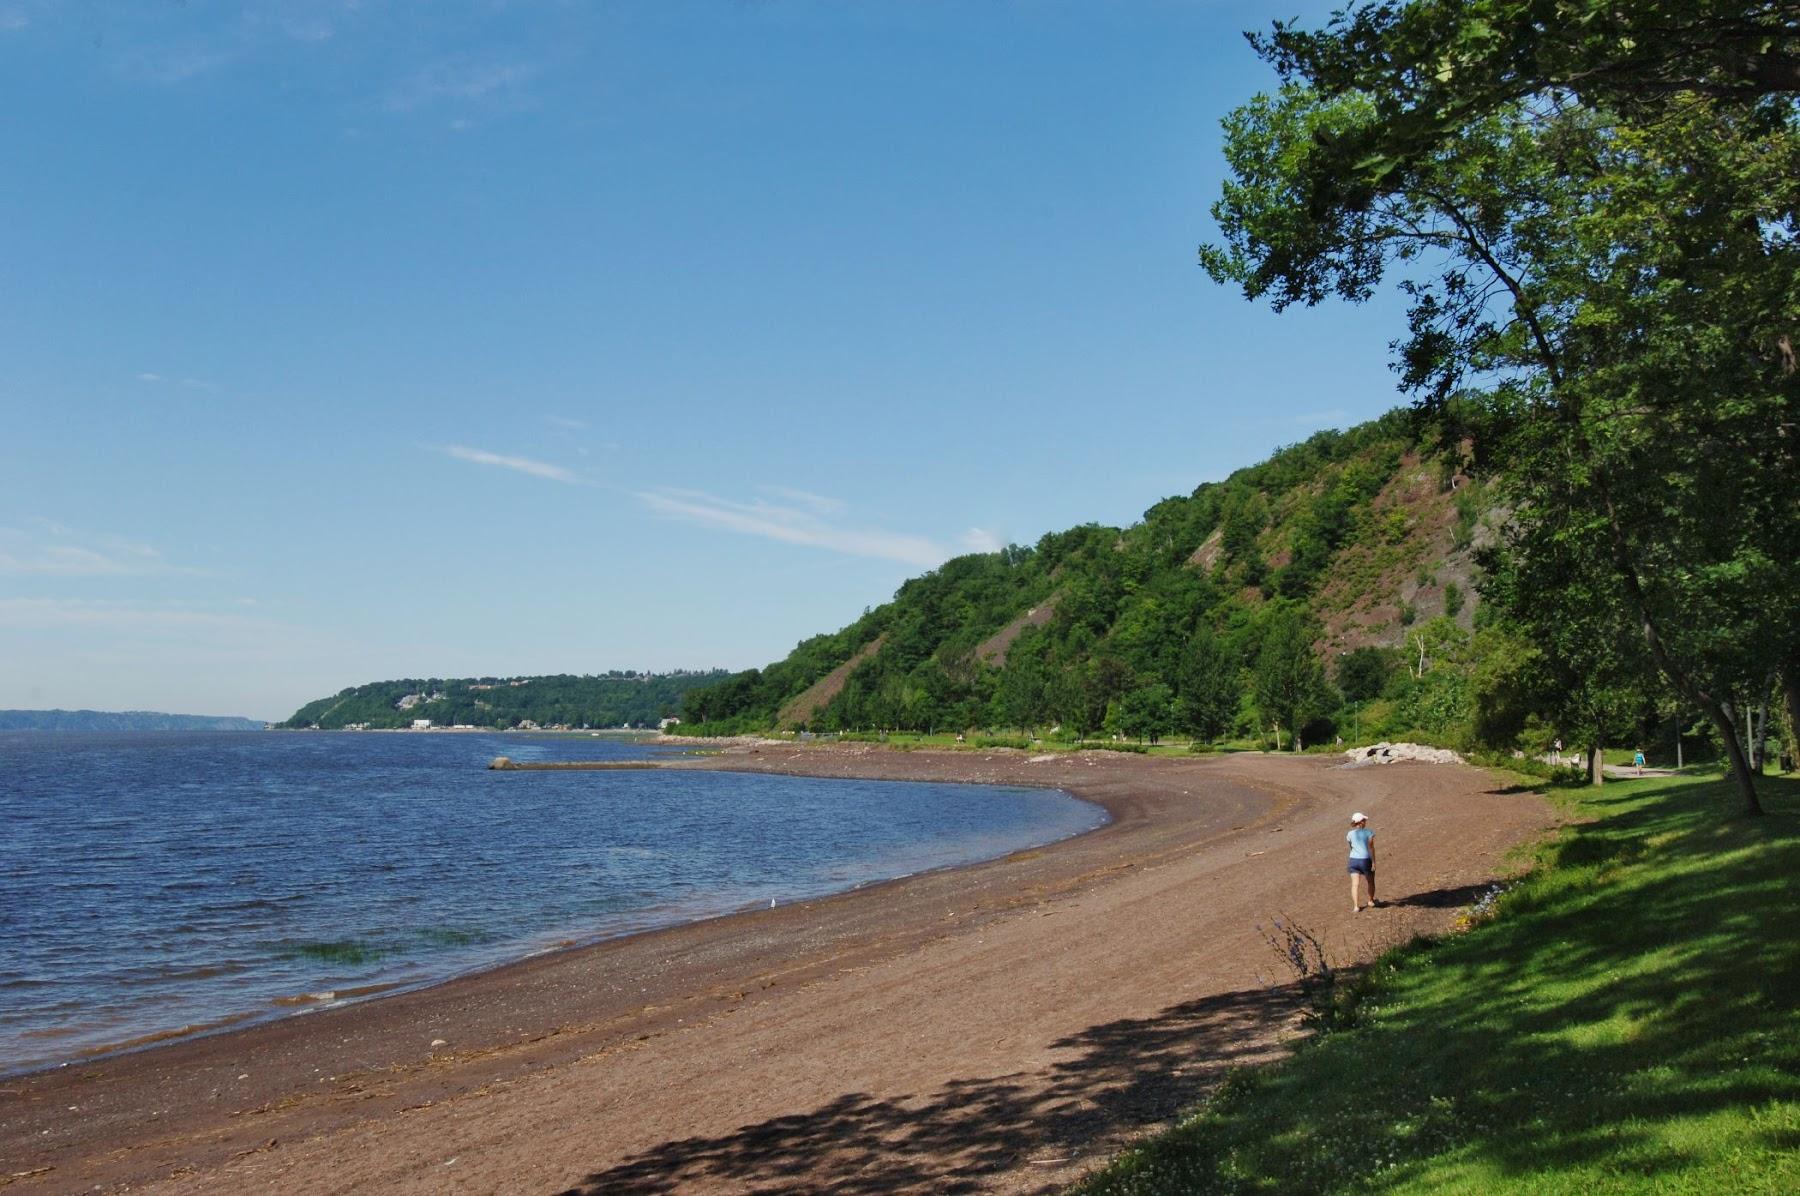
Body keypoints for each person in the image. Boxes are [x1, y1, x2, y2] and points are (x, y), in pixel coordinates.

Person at [1347, 812, 1376, 912]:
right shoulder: (1369, 832)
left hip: (1353, 860)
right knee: (1370, 881)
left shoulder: (1350, 834)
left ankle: (1356, 906)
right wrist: (1373, 862)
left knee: (1355, 884)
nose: (1365, 821)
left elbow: (1351, 847)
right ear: (1361, 822)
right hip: (1365, 860)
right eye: (1364, 820)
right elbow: (1371, 848)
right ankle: (1370, 901)